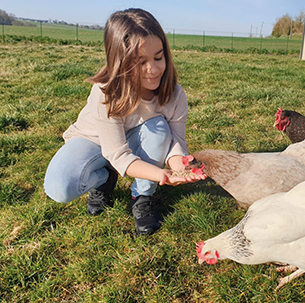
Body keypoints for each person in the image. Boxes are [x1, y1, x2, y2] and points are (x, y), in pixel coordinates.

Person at [44, 8, 206, 235]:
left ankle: (142, 195)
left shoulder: (175, 94)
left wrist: (179, 167)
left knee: (160, 130)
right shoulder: (105, 92)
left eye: (158, 57)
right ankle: (105, 176)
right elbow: (117, 153)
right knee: (60, 188)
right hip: (94, 141)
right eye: (140, 62)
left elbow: (176, 141)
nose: (153, 69)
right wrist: (161, 174)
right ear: (120, 62)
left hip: (139, 138)